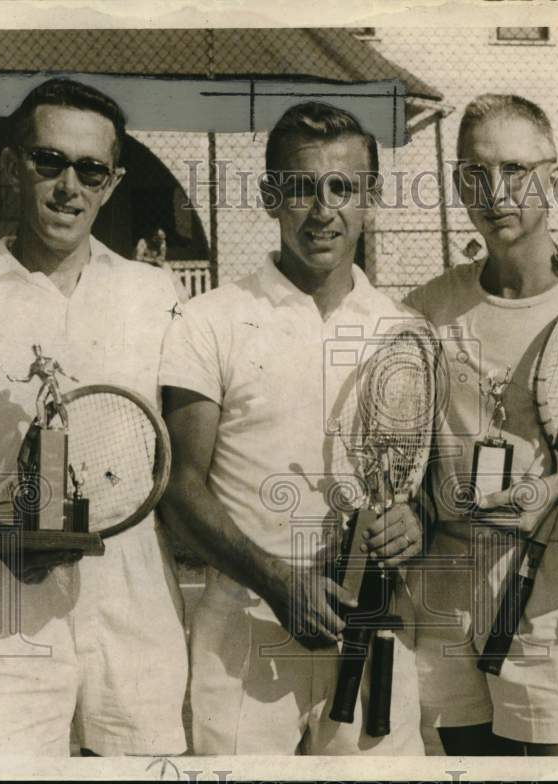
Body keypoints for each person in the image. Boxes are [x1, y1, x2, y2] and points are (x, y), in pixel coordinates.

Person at [0, 78, 189, 756]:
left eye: (90, 169)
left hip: (138, 613)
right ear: (13, 164)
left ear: (112, 181)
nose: (69, 185)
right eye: (50, 161)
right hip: (1, 616)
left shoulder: (157, 295)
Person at [158, 101, 425, 755]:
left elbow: (424, 490)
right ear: (271, 195)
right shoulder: (209, 319)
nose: (322, 210)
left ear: (370, 199)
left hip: (374, 625)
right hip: (246, 626)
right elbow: (179, 489)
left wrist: (415, 521)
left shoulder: (404, 329)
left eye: (343, 188)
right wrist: (278, 583)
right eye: (302, 188)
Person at [404, 94, 558, 756]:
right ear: (456, 184)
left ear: (556, 178)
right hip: (448, 575)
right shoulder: (425, 308)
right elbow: (410, 466)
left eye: (516, 169)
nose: (495, 192)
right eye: (475, 173)